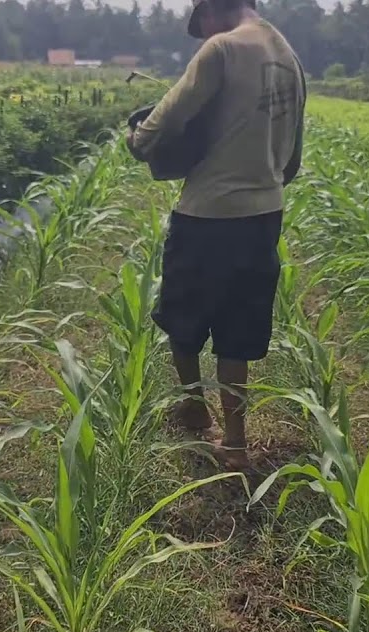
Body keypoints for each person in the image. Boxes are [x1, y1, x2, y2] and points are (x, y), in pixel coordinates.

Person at [126, 0, 306, 471]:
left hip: (207, 214)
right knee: (237, 329)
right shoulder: (288, 55)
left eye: (199, 24)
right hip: (265, 214)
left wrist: (137, 141)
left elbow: (165, 118)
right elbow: (294, 161)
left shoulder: (220, 50)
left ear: (210, 11)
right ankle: (237, 442)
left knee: (183, 319)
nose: (201, 34)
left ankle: (194, 405)